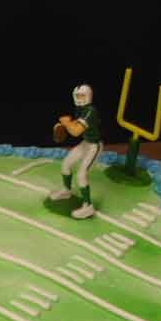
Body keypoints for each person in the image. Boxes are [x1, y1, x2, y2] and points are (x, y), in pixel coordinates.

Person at [50, 83, 103, 219]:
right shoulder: (80, 109)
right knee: (66, 164)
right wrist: (63, 125)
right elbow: (74, 126)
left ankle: (88, 206)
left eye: (82, 95)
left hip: (94, 146)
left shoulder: (91, 110)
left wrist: (66, 123)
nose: (79, 98)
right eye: (77, 95)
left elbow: (76, 131)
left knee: (81, 174)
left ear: (88, 96)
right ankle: (67, 191)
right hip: (86, 143)